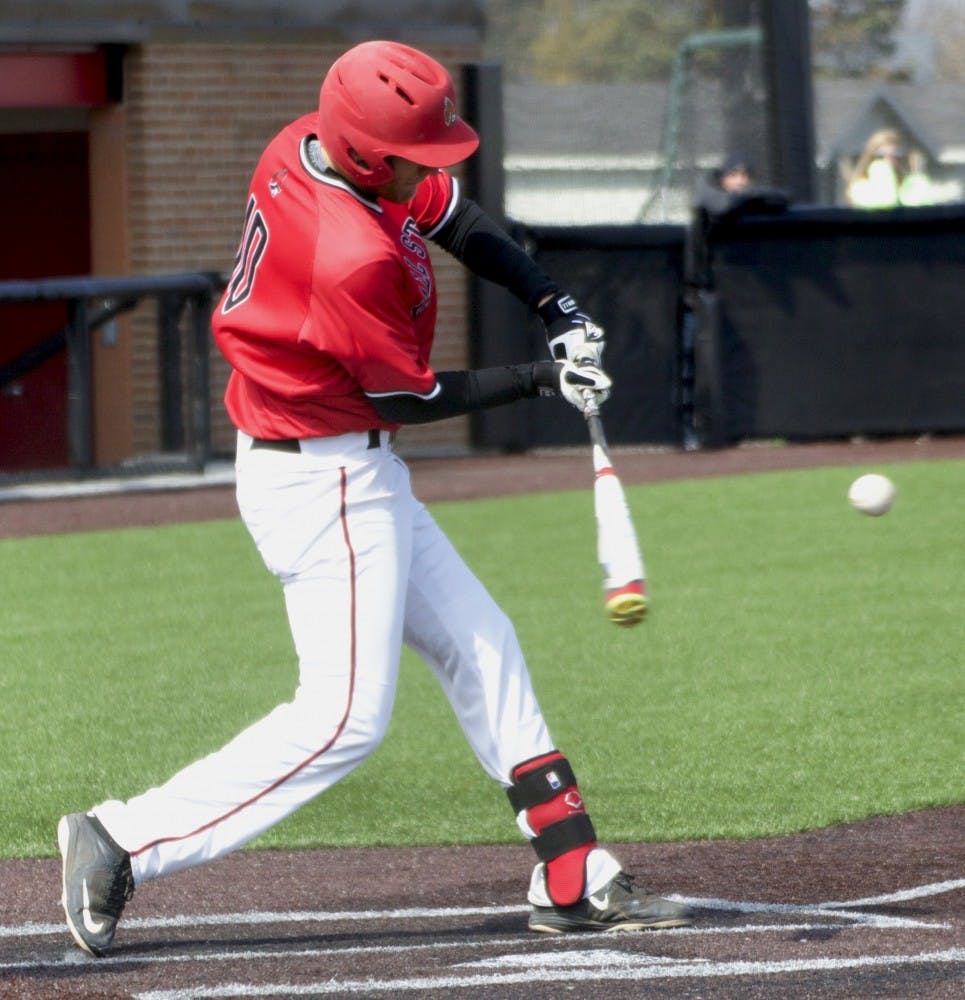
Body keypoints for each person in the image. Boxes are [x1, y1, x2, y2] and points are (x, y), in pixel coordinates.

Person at [57, 40, 693, 957]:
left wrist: (550, 302)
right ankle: (122, 839)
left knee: (483, 643)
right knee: (345, 720)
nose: (427, 170)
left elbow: (457, 218)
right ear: (363, 152)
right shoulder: (345, 255)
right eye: (412, 156)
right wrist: (541, 381)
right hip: (324, 480)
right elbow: (413, 398)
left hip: (341, 462)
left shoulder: (313, 141)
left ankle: (570, 868)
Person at [845, 128, 933, 208]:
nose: (889, 161)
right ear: (871, 158)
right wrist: (882, 170)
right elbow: (886, 201)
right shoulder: (860, 187)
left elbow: (922, 207)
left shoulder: (911, 184)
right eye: (881, 156)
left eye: (895, 155)